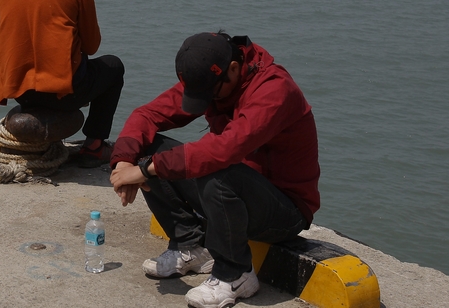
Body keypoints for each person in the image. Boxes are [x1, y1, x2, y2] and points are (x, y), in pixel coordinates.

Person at [109, 31, 320, 308]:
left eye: (209, 94)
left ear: (233, 69)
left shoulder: (274, 90)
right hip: (232, 194)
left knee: (213, 169)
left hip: (284, 211)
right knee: (147, 150)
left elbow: (225, 150)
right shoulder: (215, 79)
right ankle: (190, 245)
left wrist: (147, 171)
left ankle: (236, 273)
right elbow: (147, 115)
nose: (206, 100)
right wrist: (125, 160)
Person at [0, 0, 124, 165]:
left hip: (19, 91)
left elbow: (3, 29)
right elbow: (92, 46)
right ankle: (94, 146)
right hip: (62, 92)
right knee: (113, 66)